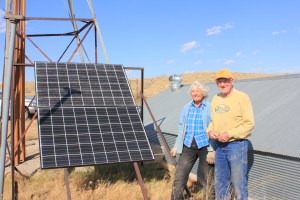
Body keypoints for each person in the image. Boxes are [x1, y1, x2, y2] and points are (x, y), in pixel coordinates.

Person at [206, 69, 255, 200]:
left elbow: (249, 124)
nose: (222, 84)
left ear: (232, 81)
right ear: (216, 83)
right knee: (220, 182)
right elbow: (213, 121)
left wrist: (230, 134)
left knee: (238, 183)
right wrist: (210, 131)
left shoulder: (242, 97)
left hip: (237, 146)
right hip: (219, 147)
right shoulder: (216, 98)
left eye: (225, 81)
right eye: (219, 81)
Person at [171, 80, 214, 200]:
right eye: (193, 91)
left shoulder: (209, 107)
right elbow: (181, 127)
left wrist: (213, 150)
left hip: (206, 146)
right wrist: (176, 145)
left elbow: (215, 126)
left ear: (203, 93)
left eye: (198, 91)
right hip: (188, 145)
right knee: (180, 175)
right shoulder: (186, 108)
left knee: (207, 177)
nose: (195, 93)